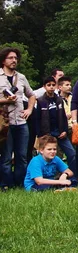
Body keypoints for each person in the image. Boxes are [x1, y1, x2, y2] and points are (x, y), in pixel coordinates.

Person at [0, 47, 37, 189]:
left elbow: (31, 95)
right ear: (3, 60)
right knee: (6, 156)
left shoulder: (21, 77)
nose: (14, 60)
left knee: (22, 155)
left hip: (21, 122)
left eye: (15, 58)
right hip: (4, 123)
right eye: (11, 58)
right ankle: (6, 185)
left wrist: (29, 109)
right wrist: (6, 101)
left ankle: (21, 184)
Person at [35, 76, 76, 175]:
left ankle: (73, 175)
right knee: (53, 156)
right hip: (47, 134)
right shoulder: (40, 101)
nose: (51, 87)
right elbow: (37, 119)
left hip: (60, 132)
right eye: (49, 85)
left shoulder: (59, 100)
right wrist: (40, 134)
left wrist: (65, 130)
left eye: (53, 85)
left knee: (72, 154)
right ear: (44, 87)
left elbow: (63, 117)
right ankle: (55, 178)